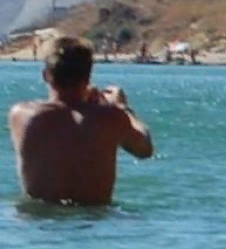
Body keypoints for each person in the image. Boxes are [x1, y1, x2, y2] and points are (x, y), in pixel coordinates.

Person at [7, 36, 153, 206]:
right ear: (89, 76)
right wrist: (123, 108)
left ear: (46, 75)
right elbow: (144, 150)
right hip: (93, 221)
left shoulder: (21, 115)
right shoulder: (111, 117)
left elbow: (64, 116)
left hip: (41, 223)